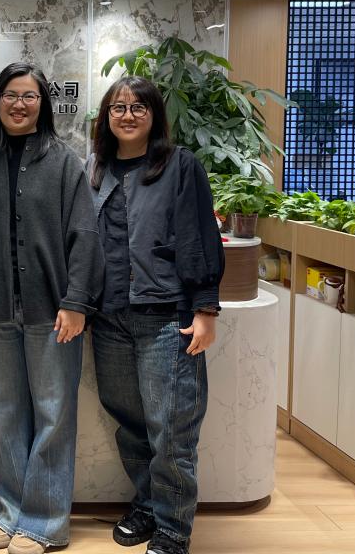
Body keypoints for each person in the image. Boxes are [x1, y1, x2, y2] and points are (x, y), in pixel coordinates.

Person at [0, 62, 104, 554]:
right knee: (4, 412)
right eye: (10, 95)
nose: (19, 104)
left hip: (53, 311)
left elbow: (85, 236)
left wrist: (77, 302)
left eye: (29, 96)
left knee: (54, 414)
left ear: (43, 104)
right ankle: (11, 510)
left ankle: (46, 522)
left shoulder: (65, 163)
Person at [87, 76, 224, 554]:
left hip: (166, 317)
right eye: (118, 107)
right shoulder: (96, 169)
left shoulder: (180, 165)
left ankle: (173, 528)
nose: (127, 115)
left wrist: (205, 308)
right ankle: (148, 503)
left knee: (171, 429)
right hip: (110, 318)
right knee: (130, 421)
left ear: (154, 115)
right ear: (106, 117)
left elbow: (199, 236)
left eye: (138, 107)